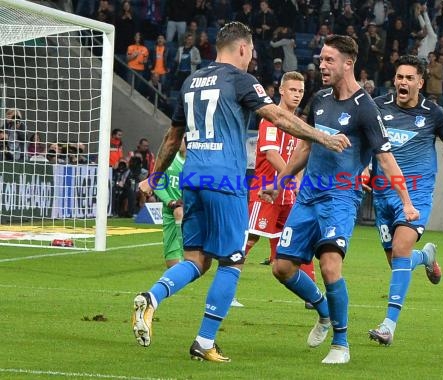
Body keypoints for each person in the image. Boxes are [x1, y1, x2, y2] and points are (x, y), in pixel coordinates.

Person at [131, 21, 349, 362]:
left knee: (196, 260)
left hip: (192, 180)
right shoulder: (240, 80)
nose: (252, 58)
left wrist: (154, 178)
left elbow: (173, 138)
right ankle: (204, 342)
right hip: (224, 181)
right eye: (252, 52)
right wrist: (321, 137)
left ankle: (152, 297)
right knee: (233, 260)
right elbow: (276, 116)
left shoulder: (190, 82)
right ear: (243, 48)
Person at [264, 35, 419, 364]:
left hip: (340, 198)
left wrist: (406, 201)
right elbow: (305, 144)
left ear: (348, 64)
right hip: (307, 196)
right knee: (282, 268)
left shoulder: (366, 109)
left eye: (328, 60)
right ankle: (322, 309)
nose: (321, 65)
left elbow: (386, 158)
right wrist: (282, 180)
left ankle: (341, 344)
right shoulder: (319, 100)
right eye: (321, 60)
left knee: (330, 265)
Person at [368, 55, 443, 347]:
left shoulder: (434, 113)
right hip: (383, 194)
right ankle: (425, 256)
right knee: (396, 261)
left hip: (417, 195)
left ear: (420, 83)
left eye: (409, 78)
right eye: (399, 77)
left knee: (400, 249)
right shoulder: (377, 107)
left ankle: (388, 326)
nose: (403, 82)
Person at [245, 71, 316, 303]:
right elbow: (272, 154)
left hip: (287, 195)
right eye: (293, 90)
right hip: (266, 191)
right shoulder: (270, 119)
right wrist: (293, 180)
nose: (297, 95)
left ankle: (311, 293)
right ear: (282, 90)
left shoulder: (298, 124)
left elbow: (300, 157)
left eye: (300, 91)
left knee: (299, 238)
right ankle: (226, 283)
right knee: (249, 238)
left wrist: (300, 183)